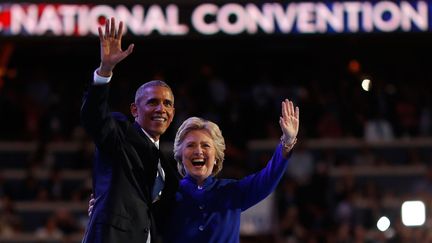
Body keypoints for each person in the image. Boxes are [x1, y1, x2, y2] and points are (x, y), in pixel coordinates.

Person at [81, 17, 179, 243]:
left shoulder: (167, 168)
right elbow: (94, 118)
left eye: (167, 104)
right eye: (152, 102)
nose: (160, 109)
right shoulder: (120, 134)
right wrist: (105, 70)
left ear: (173, 113)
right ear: (134, 109)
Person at [162, 98, 299, 242]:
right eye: (190, 145)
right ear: (180, 156)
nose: (198, 151)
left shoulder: (231, 191)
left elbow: (268, 178)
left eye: (206, 146)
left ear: (216, 157)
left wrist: (287, 142)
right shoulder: (166, 193)